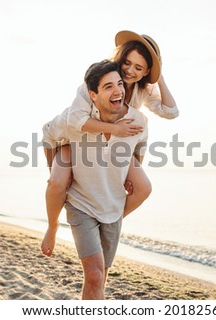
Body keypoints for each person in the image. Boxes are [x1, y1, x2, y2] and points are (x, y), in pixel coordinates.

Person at [41, 30, 178, 257]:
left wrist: (159, 75)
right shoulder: (99, 79)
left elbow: (171, 112)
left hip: (110, 143)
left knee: (143, 187)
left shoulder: (143, 89)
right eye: (127, 62)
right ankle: (53, 225)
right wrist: (117, 129)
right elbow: (75, 120)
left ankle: (108, 218)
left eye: (139, 67)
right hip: (72, 136)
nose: (130, 71)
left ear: (147, 71)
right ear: (121, 57)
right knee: (57, 182)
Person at [54, 60, 148, 299]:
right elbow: (48, 135)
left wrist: (131, 171)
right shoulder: (76, 122)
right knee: (95, 275)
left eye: (119, 83)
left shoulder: (139, 121)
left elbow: (140, 146)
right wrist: (55, 172)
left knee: (100, 276)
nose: (118, 90)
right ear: (93, 95)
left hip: (112, 207)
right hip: (80, 204)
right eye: (108, 87)